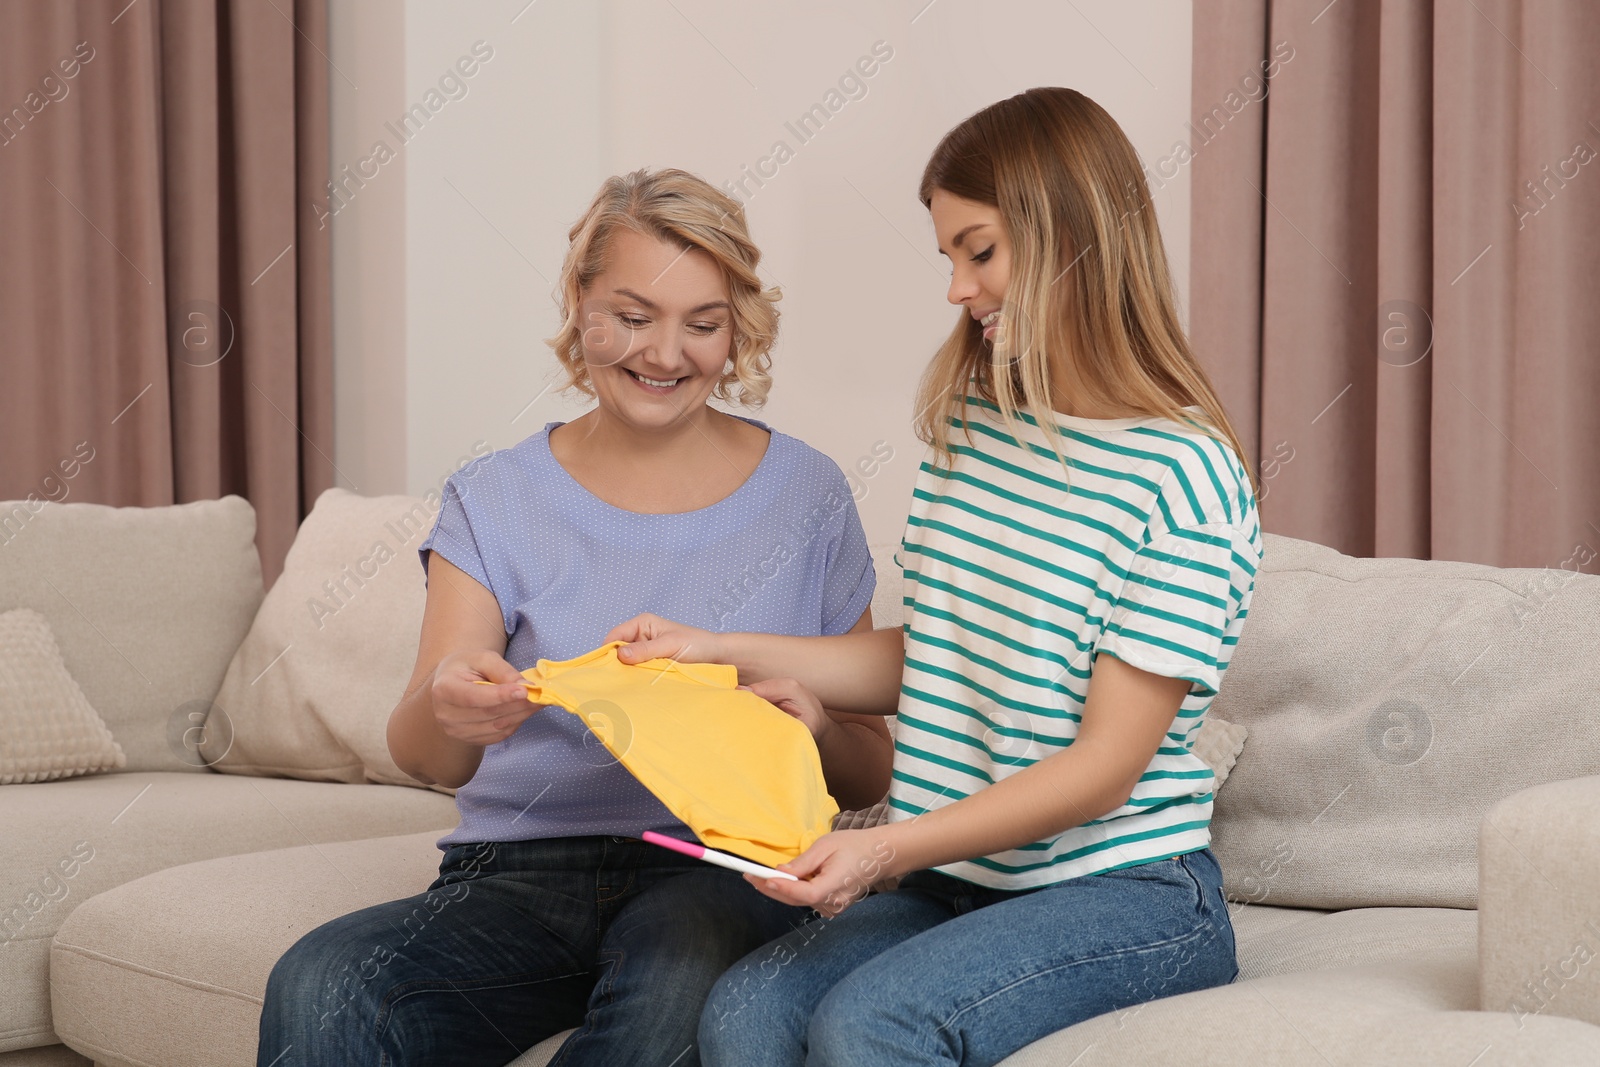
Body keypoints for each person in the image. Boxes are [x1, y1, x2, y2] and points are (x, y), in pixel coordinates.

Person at [608, 88, 1264, 1067]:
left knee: (872, 1022)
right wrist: (712, 643)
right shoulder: (975, 429)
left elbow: (1104, 767)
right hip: (962, 878)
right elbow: (933, 654)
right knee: (744, 1009)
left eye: (980, 249)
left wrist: (881, 847)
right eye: (949, 256)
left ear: (1071, 237)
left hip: (1130, 891)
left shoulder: (1183, 476)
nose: (957, 287)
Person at [254, 168, 893, 1067]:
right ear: (580, 305)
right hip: (518, 874)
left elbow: (868, 772)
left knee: (681, 985)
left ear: (738, 328)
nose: (666, 353)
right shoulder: (497, 495)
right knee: (323, 980)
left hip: (722, 868)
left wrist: (820, 728)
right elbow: (429, 753)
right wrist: (454, 705)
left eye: (703, 324)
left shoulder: (809, 493)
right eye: (632, 316)